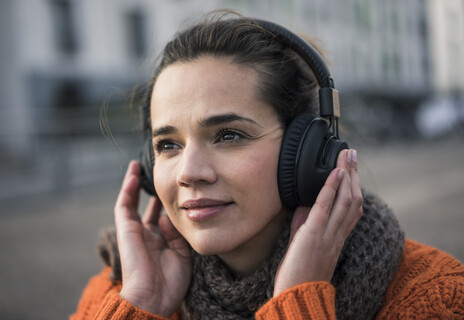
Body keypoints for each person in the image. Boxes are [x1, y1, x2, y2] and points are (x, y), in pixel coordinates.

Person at [71, 13, 464, 320]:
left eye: (228, 135)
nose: (188, 172)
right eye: (168, 144)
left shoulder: (434, 296)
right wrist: (143, 303)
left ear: (310, 153)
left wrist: (299, 301)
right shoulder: (118, 292)